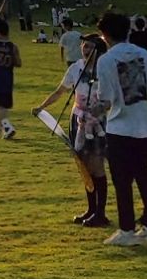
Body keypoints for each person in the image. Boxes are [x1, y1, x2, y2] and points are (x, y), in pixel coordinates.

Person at [95, 11, 147, 245]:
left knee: (122, 182)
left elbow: (106, 100)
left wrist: (93, 110)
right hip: (144, 126)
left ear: (105, 35)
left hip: (120, 129)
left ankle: (126, 230)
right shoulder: (145, 55)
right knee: (144, 177)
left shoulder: (105, 60)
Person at [32, 34, 109, 227]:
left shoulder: (105, 70)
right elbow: (60, 91)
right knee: (83, 165)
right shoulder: (76, 68)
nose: (86, 50)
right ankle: (91, 209)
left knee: (96, 166)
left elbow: (111, 99)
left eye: (90, 47)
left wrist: (99, 109)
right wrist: (42, 107)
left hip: (97, 122)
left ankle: (101, 213)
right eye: (84, 46)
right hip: (78, 119)